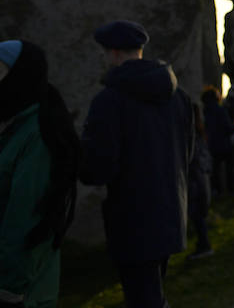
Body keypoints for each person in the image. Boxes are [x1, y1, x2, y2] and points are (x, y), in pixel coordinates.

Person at [80, 20, 194, 308]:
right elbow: (187, 153)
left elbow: (98, 168)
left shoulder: (109, 101)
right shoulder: (178, 97)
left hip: (132, 217)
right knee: (152, 295)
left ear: (114, 53)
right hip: (170, 211)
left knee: (144, 299)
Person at [0, 40, 79, 308]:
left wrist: (9, 289)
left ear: (20, 76)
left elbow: (25, 220)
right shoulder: (12, 126)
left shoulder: (39, 136)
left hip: (22, 292)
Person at [187, 102, 214, 259]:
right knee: (198, 215)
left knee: (197, 215)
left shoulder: (194, 138)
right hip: (200, 177)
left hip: (196, 179)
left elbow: (197, 161)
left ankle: (204, 245)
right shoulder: (199, 134)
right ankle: (202, 244)